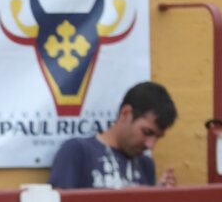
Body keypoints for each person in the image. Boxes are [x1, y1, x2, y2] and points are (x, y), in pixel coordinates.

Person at [49, 81, 178, 189]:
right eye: (147, 132)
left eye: (157, 137)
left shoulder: (145, 164)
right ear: (125, 113)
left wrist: (158, 197)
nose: (150, 144)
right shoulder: (77, 151)